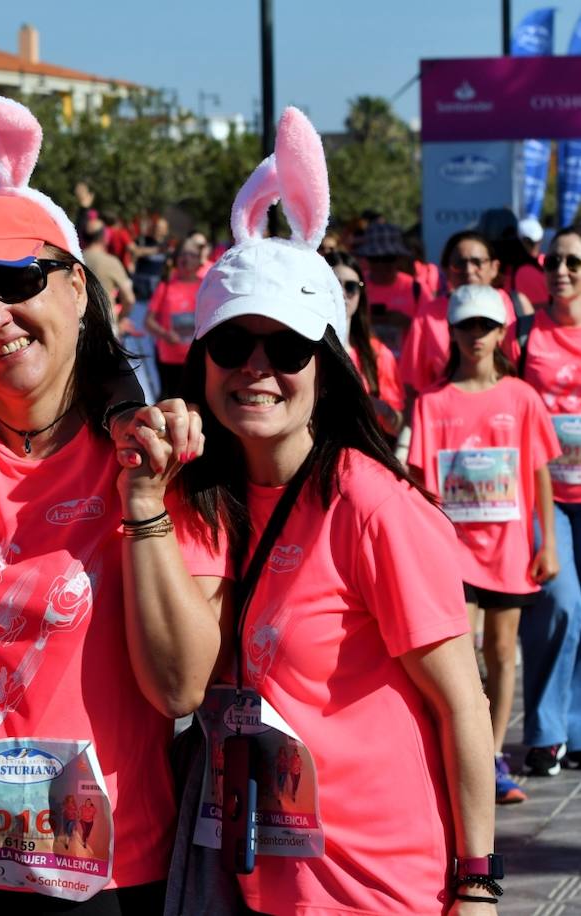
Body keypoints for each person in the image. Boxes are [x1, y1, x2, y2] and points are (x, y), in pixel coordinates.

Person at [119, 108, 497, 914]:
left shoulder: (370, 502)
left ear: (325, 365)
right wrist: (148, 497)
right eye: (232, 345)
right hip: (258, 879)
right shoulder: (202, 497)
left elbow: (462, 701)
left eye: (286, 349)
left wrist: (479, 883)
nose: (257, 369)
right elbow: (177, 685)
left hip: (382, 884)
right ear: (202, 359)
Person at [0, 88, 193, 913]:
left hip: (98, 871)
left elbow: (182, 687)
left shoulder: (148, 453)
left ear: (79, 288)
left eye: (17, 279)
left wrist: (120, 404)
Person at [408, 283, 560, 805]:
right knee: (462, 651)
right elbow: (419, 479)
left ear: (502, 333)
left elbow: (539, 471)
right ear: (450, 331)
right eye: (466, 325)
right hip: (453, 553)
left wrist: (548, 544)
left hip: (511, 550)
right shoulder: (431, 402)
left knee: (501, 651)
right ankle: (461, 749)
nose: (476, 336)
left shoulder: (522, 397)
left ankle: (492, 756)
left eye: (486, 326)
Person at [508, 227, 581, 776]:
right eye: (553, 260)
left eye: (573, 262)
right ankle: (545, 731)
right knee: (557, 602)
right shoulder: (526, 333)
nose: (561, 270)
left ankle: (574, 733)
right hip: (543, 494)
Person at [401, 232, 526, 398]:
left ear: (494, 267)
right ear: (445, 270)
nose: (469, 270)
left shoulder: (512, 304)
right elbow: (413, 383)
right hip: (446, 415)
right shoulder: (428, 315)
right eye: (459, 263)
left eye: (477, 262)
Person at [328, 252, 404, 437]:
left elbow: (397, 426)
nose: (343, 294)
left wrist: (381, 409)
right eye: (334, 285)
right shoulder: (301, 348)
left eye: (351, 287)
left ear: (361, 294)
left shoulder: (378, 354)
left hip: (361, 459)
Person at [145, 235, 206, 397]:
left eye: (192, 254)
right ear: (176, 258)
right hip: (168, 360)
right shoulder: (165, 286)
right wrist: (165, 334)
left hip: (197, 359)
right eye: (182, 254)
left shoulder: (205, 286)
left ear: (199, 260)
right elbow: (148, 321)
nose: (186, 259)